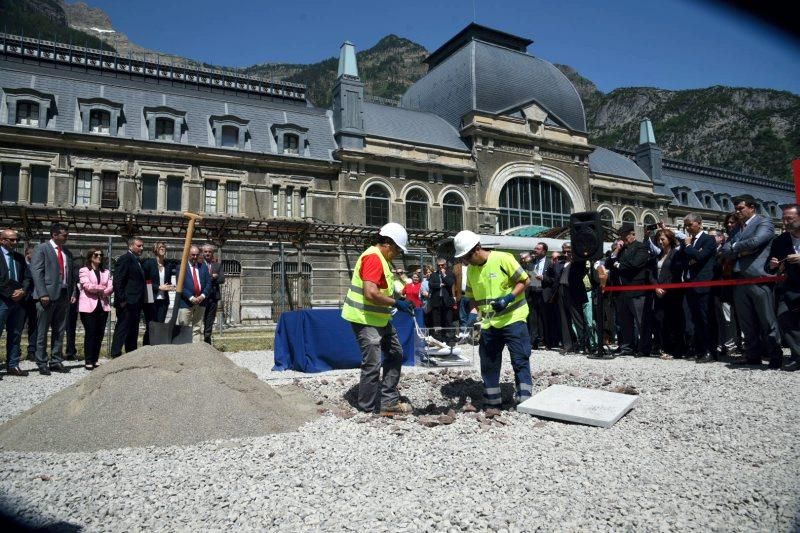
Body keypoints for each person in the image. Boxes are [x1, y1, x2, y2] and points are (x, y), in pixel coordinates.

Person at [341, 222, 414, 416]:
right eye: (398, 249)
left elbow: (382, 289)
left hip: (378, 318)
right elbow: (370, 293)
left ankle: (388, 400)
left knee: (395, 353)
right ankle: (368, 408)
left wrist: (398, 299)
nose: (398, 253)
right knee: (373, 363)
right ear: (388, 244)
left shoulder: (383, 259)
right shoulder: (373, 258)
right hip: (364, 317)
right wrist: (396, 303)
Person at [455, 230, 532, 408]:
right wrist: (474, 318)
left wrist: (508, 298)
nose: (465, 261)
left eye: (466, 256)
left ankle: (525, 399)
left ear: (477, 249)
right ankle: (492, 401)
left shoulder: (503, 259)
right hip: (489, 323)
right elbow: (473, 298)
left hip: (513, 319)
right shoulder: (472, 271)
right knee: (488, 361)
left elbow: (525, 281)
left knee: (520, 359)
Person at [721, 196, 782, 368]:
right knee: (746, 321)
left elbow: (757, 241)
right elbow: (725, 250)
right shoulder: (736, 229)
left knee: (767, 320)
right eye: (736, 208)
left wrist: (735, 248)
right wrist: (739, 250)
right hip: (740, 279)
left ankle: (774, 355)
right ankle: (752, 355)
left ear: (752, 207)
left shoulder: (764, 222)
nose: (737, 212)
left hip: (759, 278)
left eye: (740, 208)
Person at [30, 223, 75, 375]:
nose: (66, 237)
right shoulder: (42, 249)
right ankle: (41, 361)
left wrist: (72, 292)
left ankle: (56, 360)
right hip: (46, 296)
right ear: (54, 235)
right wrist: (42, 293)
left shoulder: (67, 253)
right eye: (64, 235)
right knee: (42, 331)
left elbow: (71, 276)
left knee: (59, 330)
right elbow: (37, 272)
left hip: (63, 295)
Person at [606, 223, 651, 357]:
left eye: (625, 236)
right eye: (621, 237)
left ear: (633, 234)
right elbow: (608, 263)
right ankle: (627, 347)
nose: (623, 240)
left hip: (636, 289)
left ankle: (644, 348)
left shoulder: (641, 247)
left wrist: (618, 264)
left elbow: (635, 264)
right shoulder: (621, 249)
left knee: (641, 321)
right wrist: (616, 251)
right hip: (622, 291)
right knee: (625, 321)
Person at [681, 213, 718, 363]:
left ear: (699, 223)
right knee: (695, 320)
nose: (688, 228)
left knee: (706, 319)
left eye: (690, 224)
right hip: (690, 284)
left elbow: (700, 257)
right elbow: (688, 259)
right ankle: (700, 349)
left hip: (704, 284)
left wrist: (689, 247)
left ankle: (711, 351)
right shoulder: (688, 241)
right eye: (686, 225)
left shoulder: (708, 239)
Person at [766, 211, 800, 371]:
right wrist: (773, 265)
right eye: (783, 219)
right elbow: (770, 264)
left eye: (790, 219)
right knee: (784, 317)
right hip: (791, 286)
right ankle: (798, 355)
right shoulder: (780, 240)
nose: (785, 222)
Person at [651, 228, 685, 359]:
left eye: (663, 239)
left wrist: (665, 288)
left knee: (674, 321)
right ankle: (665, 347)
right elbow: (652, 274)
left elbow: (676, 273)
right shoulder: (657, 256)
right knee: (661, 321)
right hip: (658, 293)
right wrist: (655, 287)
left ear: (670, 240)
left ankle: (677, 349)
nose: (660, 242)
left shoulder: (676, 254)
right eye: (658, 240)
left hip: (672, 293)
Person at [1, 229, 31, 377]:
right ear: (2, 240)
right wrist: (10, 293)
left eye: (16, 240)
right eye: (11, 240)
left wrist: (23, 291)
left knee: (15, 334)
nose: (15, 242)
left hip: (18, 302)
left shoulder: (19, 258)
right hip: (2, 300)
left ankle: (13, 365)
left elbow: (27, 277)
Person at [78, 248, 113, 370]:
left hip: (103, 306)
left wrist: (101, 289)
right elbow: (87, 286)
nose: (99, 256)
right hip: (88, 307)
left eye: (101, 255)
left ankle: (95, 359)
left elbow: (110, 287)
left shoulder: (106, 272)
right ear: (90, 256)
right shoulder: (84, 270)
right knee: (90, 333)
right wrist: (102, 288)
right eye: (96, 254)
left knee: (99, 333)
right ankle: (88, 360)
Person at [111, 237, 146, 358]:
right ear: (131, 246)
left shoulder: (137, 260)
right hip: (127, 302)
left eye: (142, 246)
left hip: (136, 303)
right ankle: (116, 354)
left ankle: (130, 355)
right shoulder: (125, 259)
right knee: (122, 329)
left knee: (133, 330)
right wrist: (122, 300)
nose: (141, 248)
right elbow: (118, 281)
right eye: (139, 245)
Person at [141, 241, 176, 346]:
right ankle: (147, 346)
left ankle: (157, 347)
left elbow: (167, 281)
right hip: (151, 297)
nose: (162, 248)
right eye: (160, 247)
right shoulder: (148, 263)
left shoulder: (168, 265)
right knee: (151, 325)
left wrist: (170, 287)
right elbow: (145, 281)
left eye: (164, 247)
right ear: (155, 249)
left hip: (164, 299)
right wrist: (158, 287)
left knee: (160, 324)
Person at [177, 246, 212, 342]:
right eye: (193, 255)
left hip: (201, 302)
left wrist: (203, 296)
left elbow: (209, 283)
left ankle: (195, 350)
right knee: (183, 326)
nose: (195, 257)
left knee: (197, 327)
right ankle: (183, 348)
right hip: (186, 302)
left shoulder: (203, 267)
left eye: (197, 255)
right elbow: (180, 285)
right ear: (188, 254)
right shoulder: (181, 268)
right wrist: (191, 297)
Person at [526, 243, 551, 350]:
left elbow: (554, 279)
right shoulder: (531, 263)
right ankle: (533, 341)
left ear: (544, 251)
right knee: (533, 318)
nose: (535, 250)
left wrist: (543, 278)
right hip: (533, 293)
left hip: (544, 293)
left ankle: (547, 341)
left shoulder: (550, 263)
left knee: (545, 318)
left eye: (538, 249)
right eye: (535, 248)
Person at [201, 244, 225, 344]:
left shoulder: (217, 265)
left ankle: (207, 339)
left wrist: (211, 278)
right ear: (203, 253)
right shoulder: (199, 265)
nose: (207, 253)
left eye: (209, 252)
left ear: (212, 253)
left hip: (213, 297)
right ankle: (198, 340)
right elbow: (201, 280)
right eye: (205, 252)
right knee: (201, 318)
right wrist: (212, 277)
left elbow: (221, 279)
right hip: (202, 297)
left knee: (210, 319)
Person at [428, 258, 456, 340]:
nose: (440, 267)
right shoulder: (433, 274)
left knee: (448, 319)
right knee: (437, 319)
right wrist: (440, 285)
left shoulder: (450, 274)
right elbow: (431, 285)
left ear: (445, 265)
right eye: (438, 265)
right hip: (436, 300)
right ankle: (438, 336)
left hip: (446, 300)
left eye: (442, 265)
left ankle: (448, 336)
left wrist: (444, 275)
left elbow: (450, 283)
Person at [22, 244, 37, 362]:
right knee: (19, 326)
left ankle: (32, 351)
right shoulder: (21, 264)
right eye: (35, 254)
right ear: (28, 254)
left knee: (33, 325)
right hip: (22, 300)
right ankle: (16, 352)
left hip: (34, 299)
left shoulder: (37, 266)